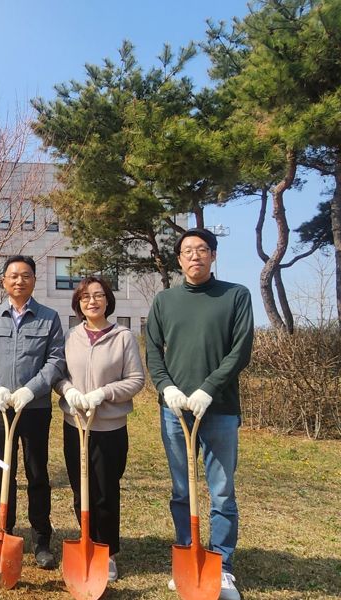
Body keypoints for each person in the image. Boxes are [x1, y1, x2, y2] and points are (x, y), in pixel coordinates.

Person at [146, 228, 254, 600]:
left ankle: (222, 566)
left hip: (219, 410)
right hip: (175, 411)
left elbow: (240, 351)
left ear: (213, 256)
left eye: (202, 250)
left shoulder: (235, 296)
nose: (195, 256)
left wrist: (209, 388)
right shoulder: (164, 301)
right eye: (188, 251)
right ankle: (188, 555)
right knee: (181, 490)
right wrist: (167, 388)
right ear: (179, 259)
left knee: (222, 491)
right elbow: (153, 354)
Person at [0, 255, 66, 569]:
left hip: (35, 408)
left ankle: (41, 537)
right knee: (3, 470)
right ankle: (5, 530)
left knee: (37, 472)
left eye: (26, 275)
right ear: (4, 281)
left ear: (34, 280)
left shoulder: (49, 318)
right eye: (13, 275)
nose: (19, 281)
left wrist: (31, 389)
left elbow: (56, 362)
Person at [54, 276, 145, 582]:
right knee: (81, 491)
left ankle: (107, 552)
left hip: (109, 428)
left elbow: (136, 379)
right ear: (78, 305)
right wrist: (68, 391)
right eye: (85, 298)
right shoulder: (71, 337)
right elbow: (59, 374)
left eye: (98, 296)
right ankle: (86, 543)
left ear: (108, 300)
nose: (91, 301)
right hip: (75, 424)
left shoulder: (123, 337)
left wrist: (104, 393)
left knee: (105, 492)